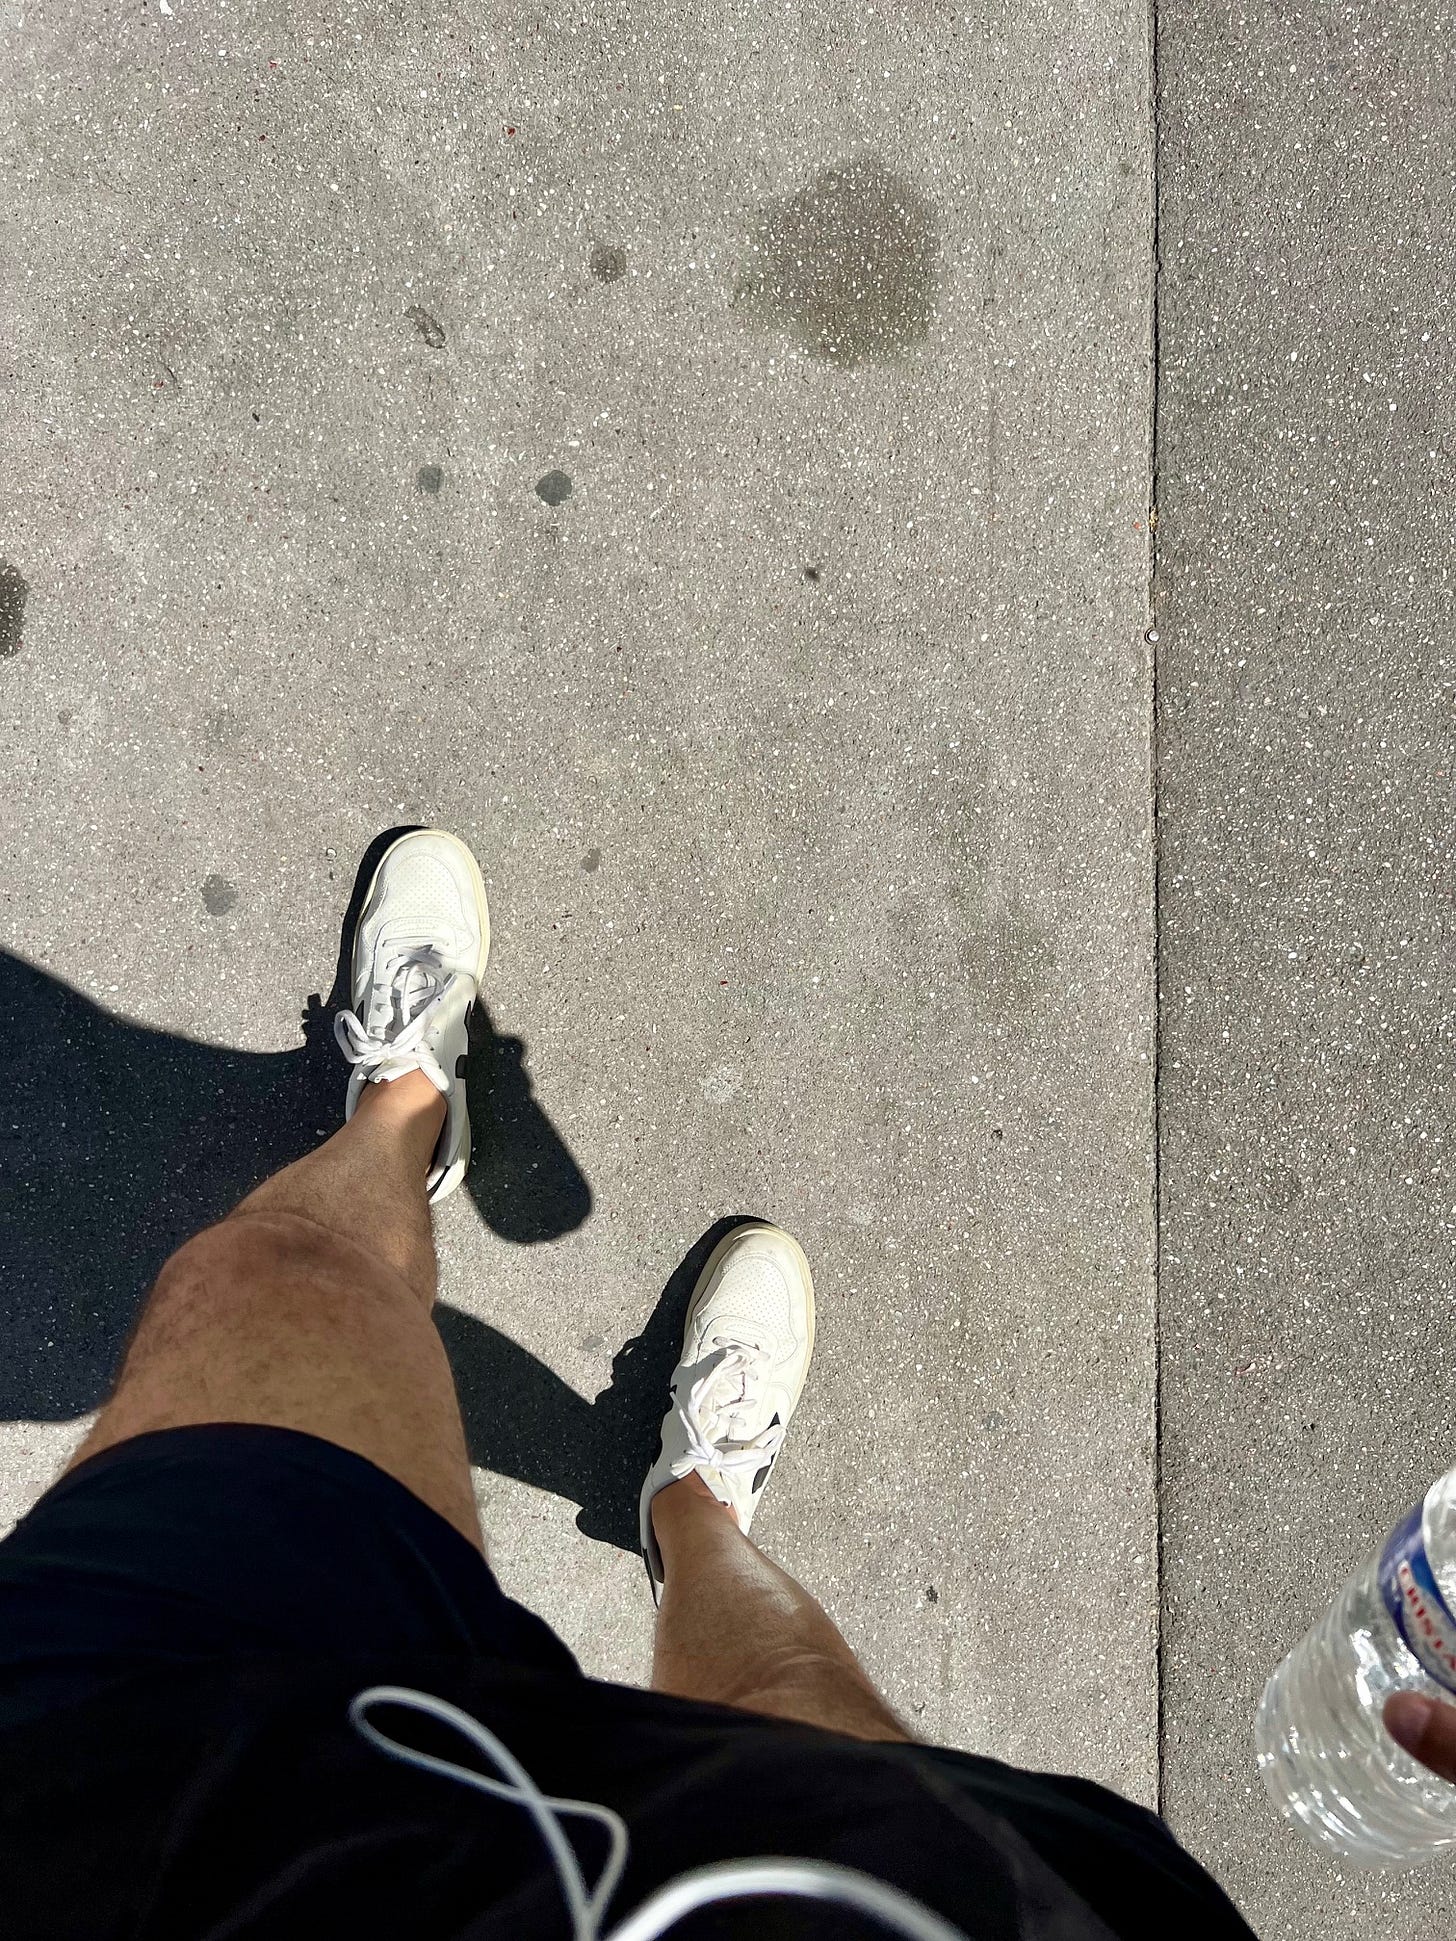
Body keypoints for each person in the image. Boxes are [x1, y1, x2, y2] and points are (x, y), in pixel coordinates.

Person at [0, 830, 1259, 1939]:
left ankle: (403, 1117)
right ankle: (687, 1502)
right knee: (792, 1722)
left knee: (274, 1288)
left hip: (130, 1836)